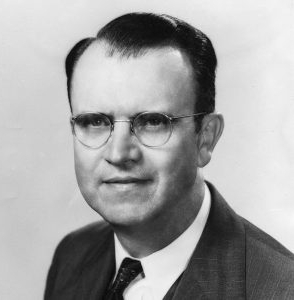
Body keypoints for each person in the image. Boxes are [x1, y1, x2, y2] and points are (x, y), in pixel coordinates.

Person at [44, 12, 294, 300]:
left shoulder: (282, 289)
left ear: (206, 138)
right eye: (95, 122)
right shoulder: (72, 256)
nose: (119, 153)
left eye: (152, 122)